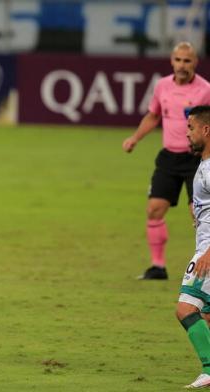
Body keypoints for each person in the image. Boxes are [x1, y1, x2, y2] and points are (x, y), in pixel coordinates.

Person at [122, 41, 210, 280]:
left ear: (195, 62)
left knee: (199, 213)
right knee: (154, 209)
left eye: (187, 60)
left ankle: (204, 263)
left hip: (195, 160)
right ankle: (158, 266)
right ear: (172, 61)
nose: (182, 65)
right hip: (169, 157)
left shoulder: (205, 89)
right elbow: (153, 116)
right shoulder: (162, 86)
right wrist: (135, 138)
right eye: (178, 60)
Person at [176, 105, 210, 389]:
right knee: (207, 316)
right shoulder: (203, 163)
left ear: (206, 130)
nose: (187, 134)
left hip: (209, 253)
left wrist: (209, 252)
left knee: (186, 308)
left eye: (190, 128)